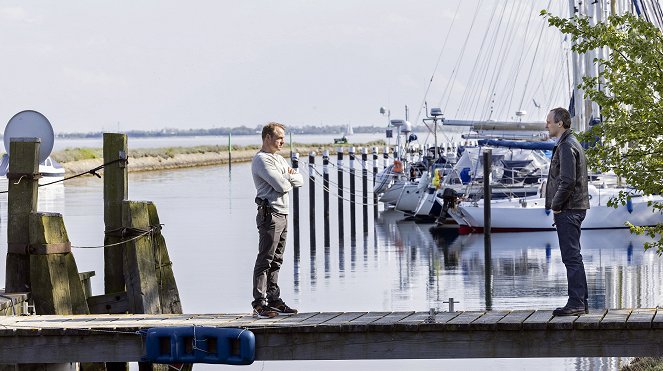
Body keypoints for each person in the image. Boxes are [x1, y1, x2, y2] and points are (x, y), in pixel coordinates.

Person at [251, 122, 304, 318]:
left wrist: (287, 177)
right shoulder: (261, 160)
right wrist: (288, 177)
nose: (283, 141)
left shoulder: (279, 159)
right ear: (267, 138)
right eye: (279, 138)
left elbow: (301, 180)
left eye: (283, 138)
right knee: (265, 258)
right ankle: (259, 304)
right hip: (270, 213)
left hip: (283, 213)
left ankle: (274, 300)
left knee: (277, 260)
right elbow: (282, 186)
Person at [544, 107, 590, 316]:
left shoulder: (566, 146)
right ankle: (580, 301)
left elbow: (568, 181)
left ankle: (576, 302)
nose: (547, 125)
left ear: (560, 123)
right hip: (573, 207)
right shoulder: (569, 143)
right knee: (574, 256)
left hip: (569, 208)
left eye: (549, 122)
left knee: (571, 257)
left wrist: (556, 205)